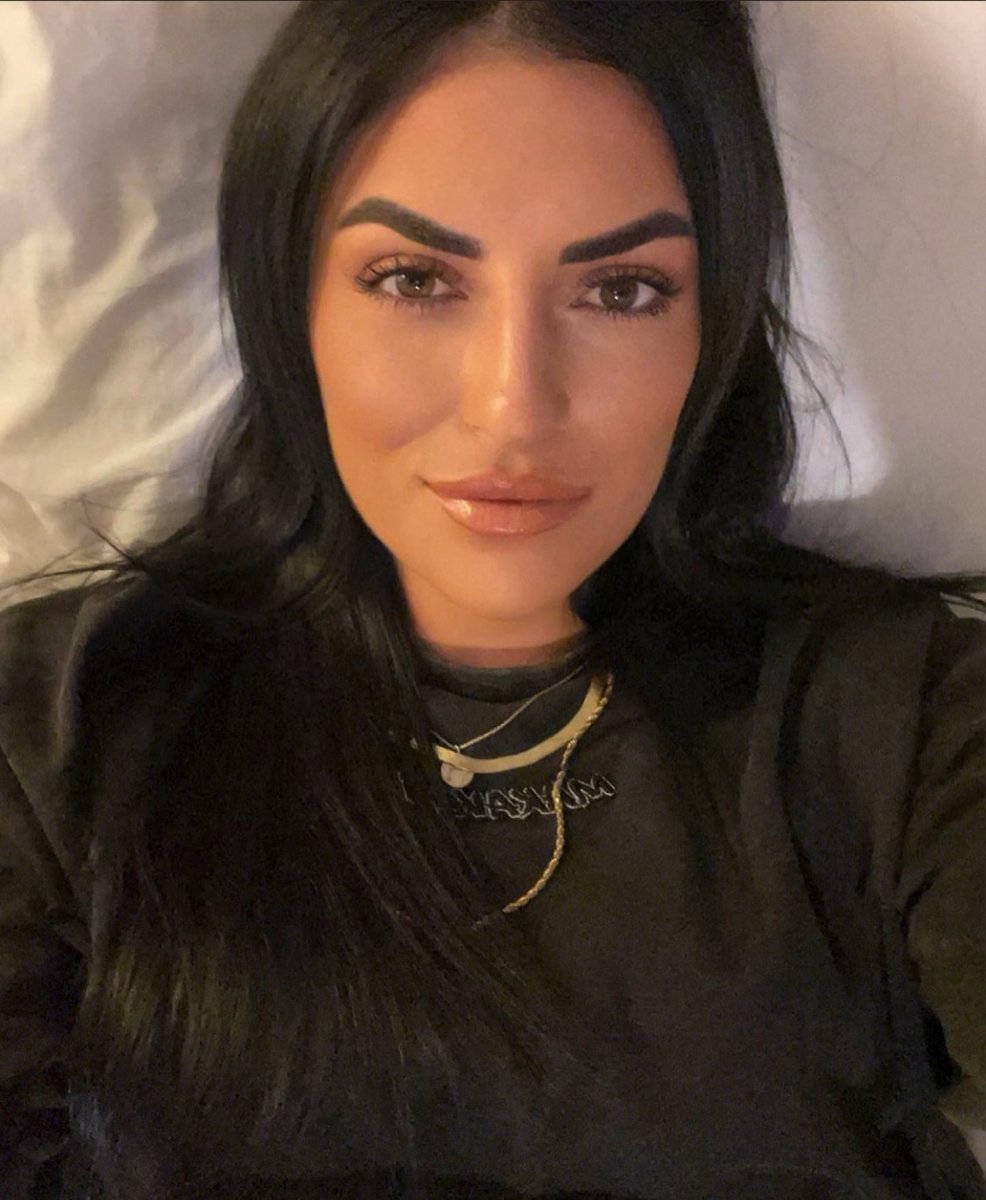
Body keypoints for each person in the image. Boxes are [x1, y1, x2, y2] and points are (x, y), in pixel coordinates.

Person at [0, 2, 984, 1197]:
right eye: (413, 279)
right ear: (288, 306)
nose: (513, 405)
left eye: (621, 289)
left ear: (712, 328)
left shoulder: (905, 723)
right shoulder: (61, 735)